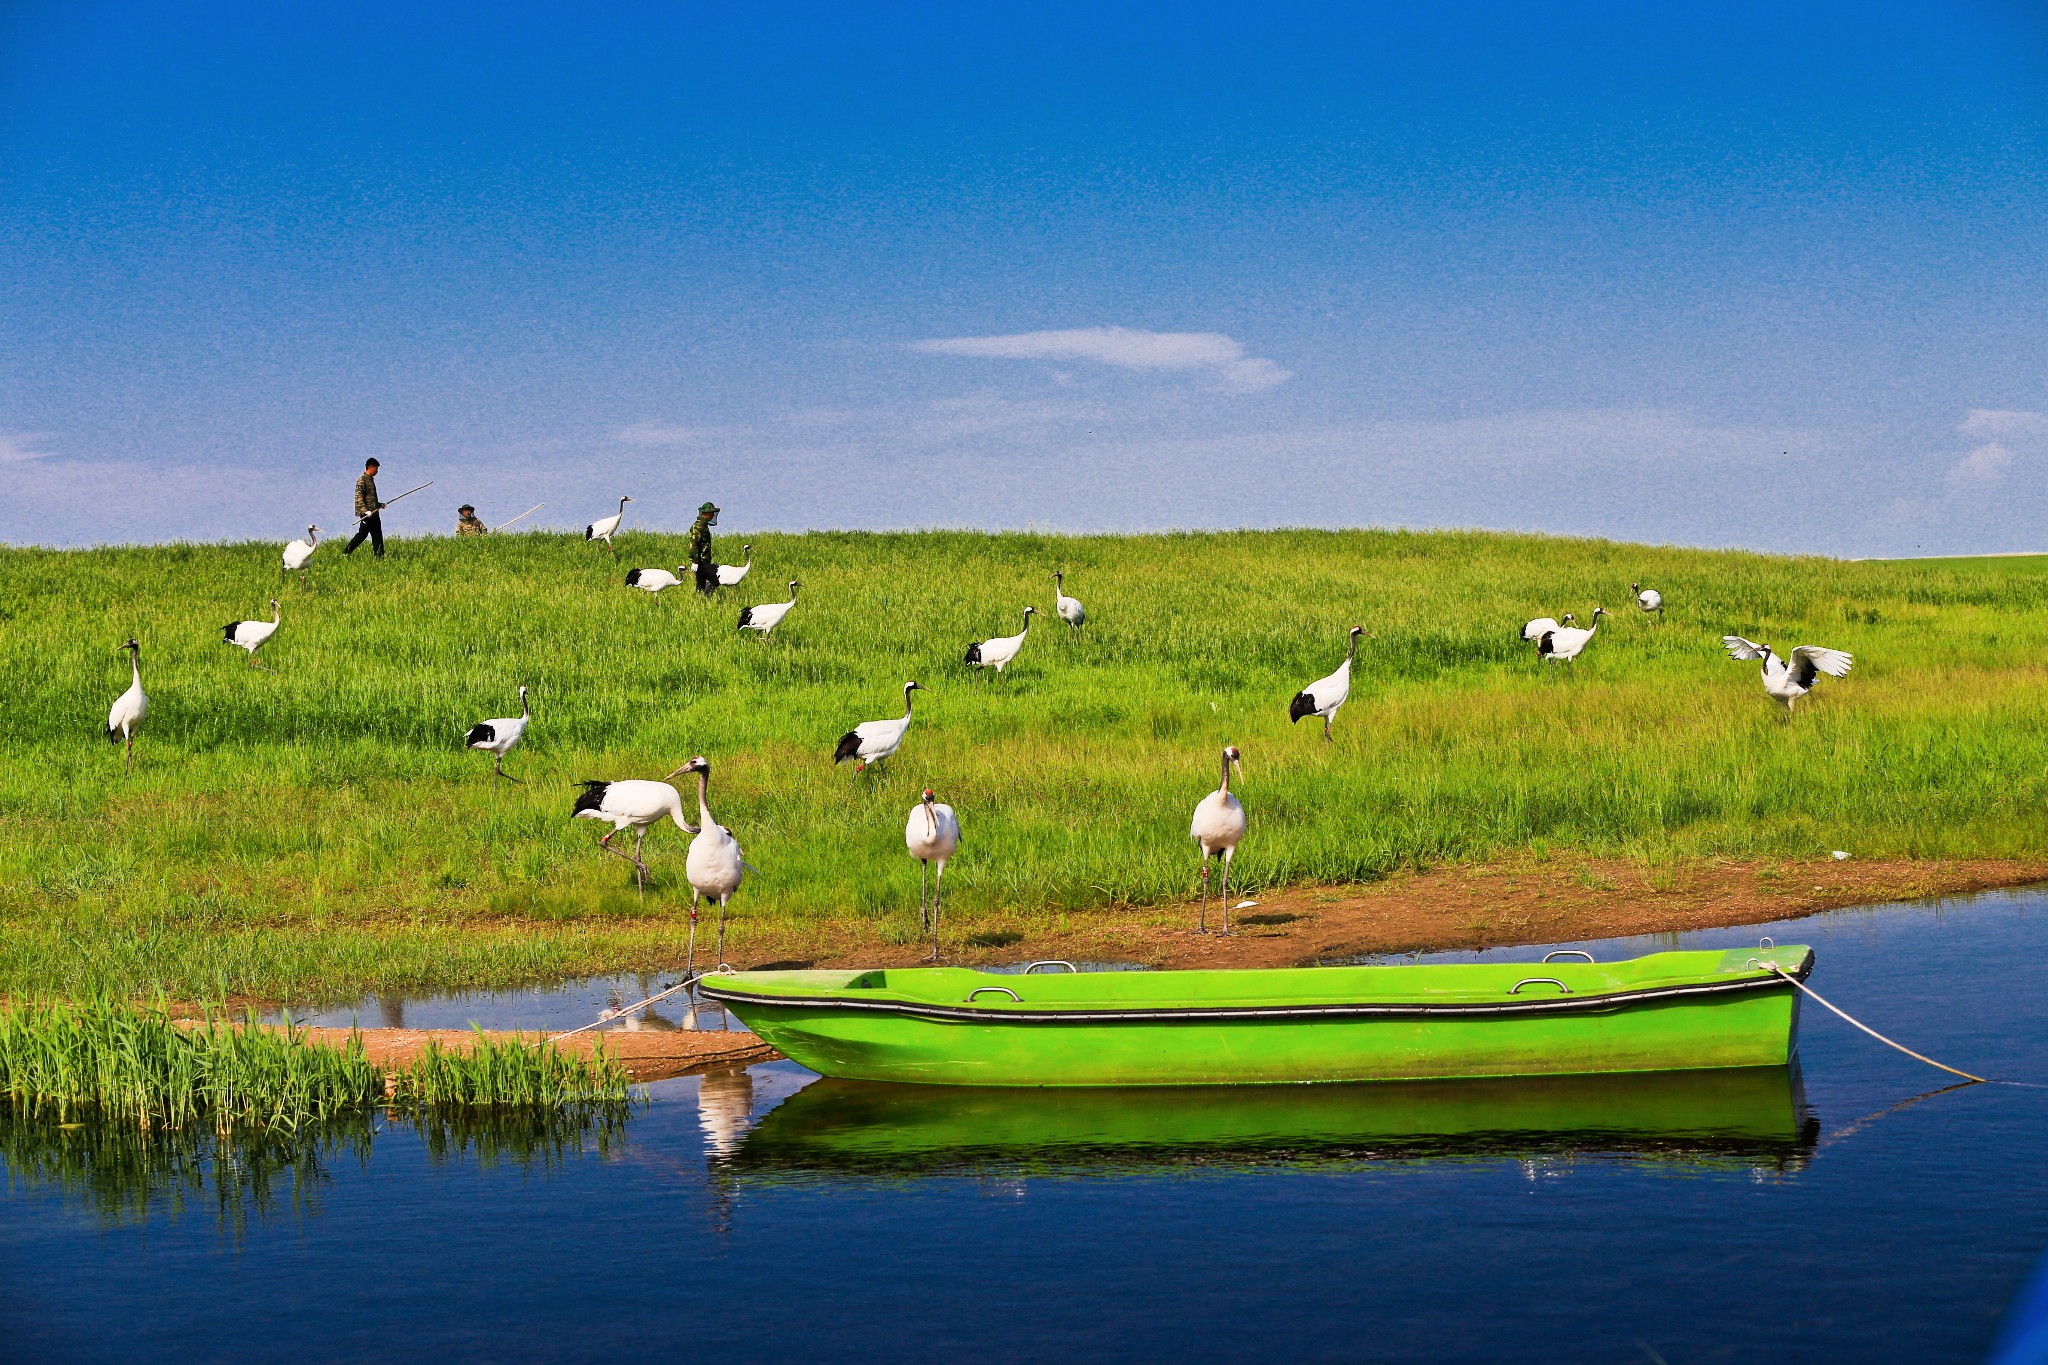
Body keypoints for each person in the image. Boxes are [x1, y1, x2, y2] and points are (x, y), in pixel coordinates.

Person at [345, 458, 386, 557]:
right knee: (362, 535)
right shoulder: (362, 480)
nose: (377, 471)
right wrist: (365, 511)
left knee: (377, 536)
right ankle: (346, 552)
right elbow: (359, 498)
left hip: (374, 513)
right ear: (371, 468)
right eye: (376, 469)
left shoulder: (371, 481)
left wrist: (380, 505)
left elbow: (371, 499)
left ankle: (379, 556)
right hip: (367, 515)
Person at [689, 501, 721, 593]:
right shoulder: (698, 526)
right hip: (701, 561)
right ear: (706, 514)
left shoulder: (704, 525)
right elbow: (694, 543)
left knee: (700, 585)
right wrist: (694, 561)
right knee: (716, 581)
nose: (712, 516)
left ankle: (701, 600)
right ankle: (706, 596)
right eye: (711, 514)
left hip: (704, 560)